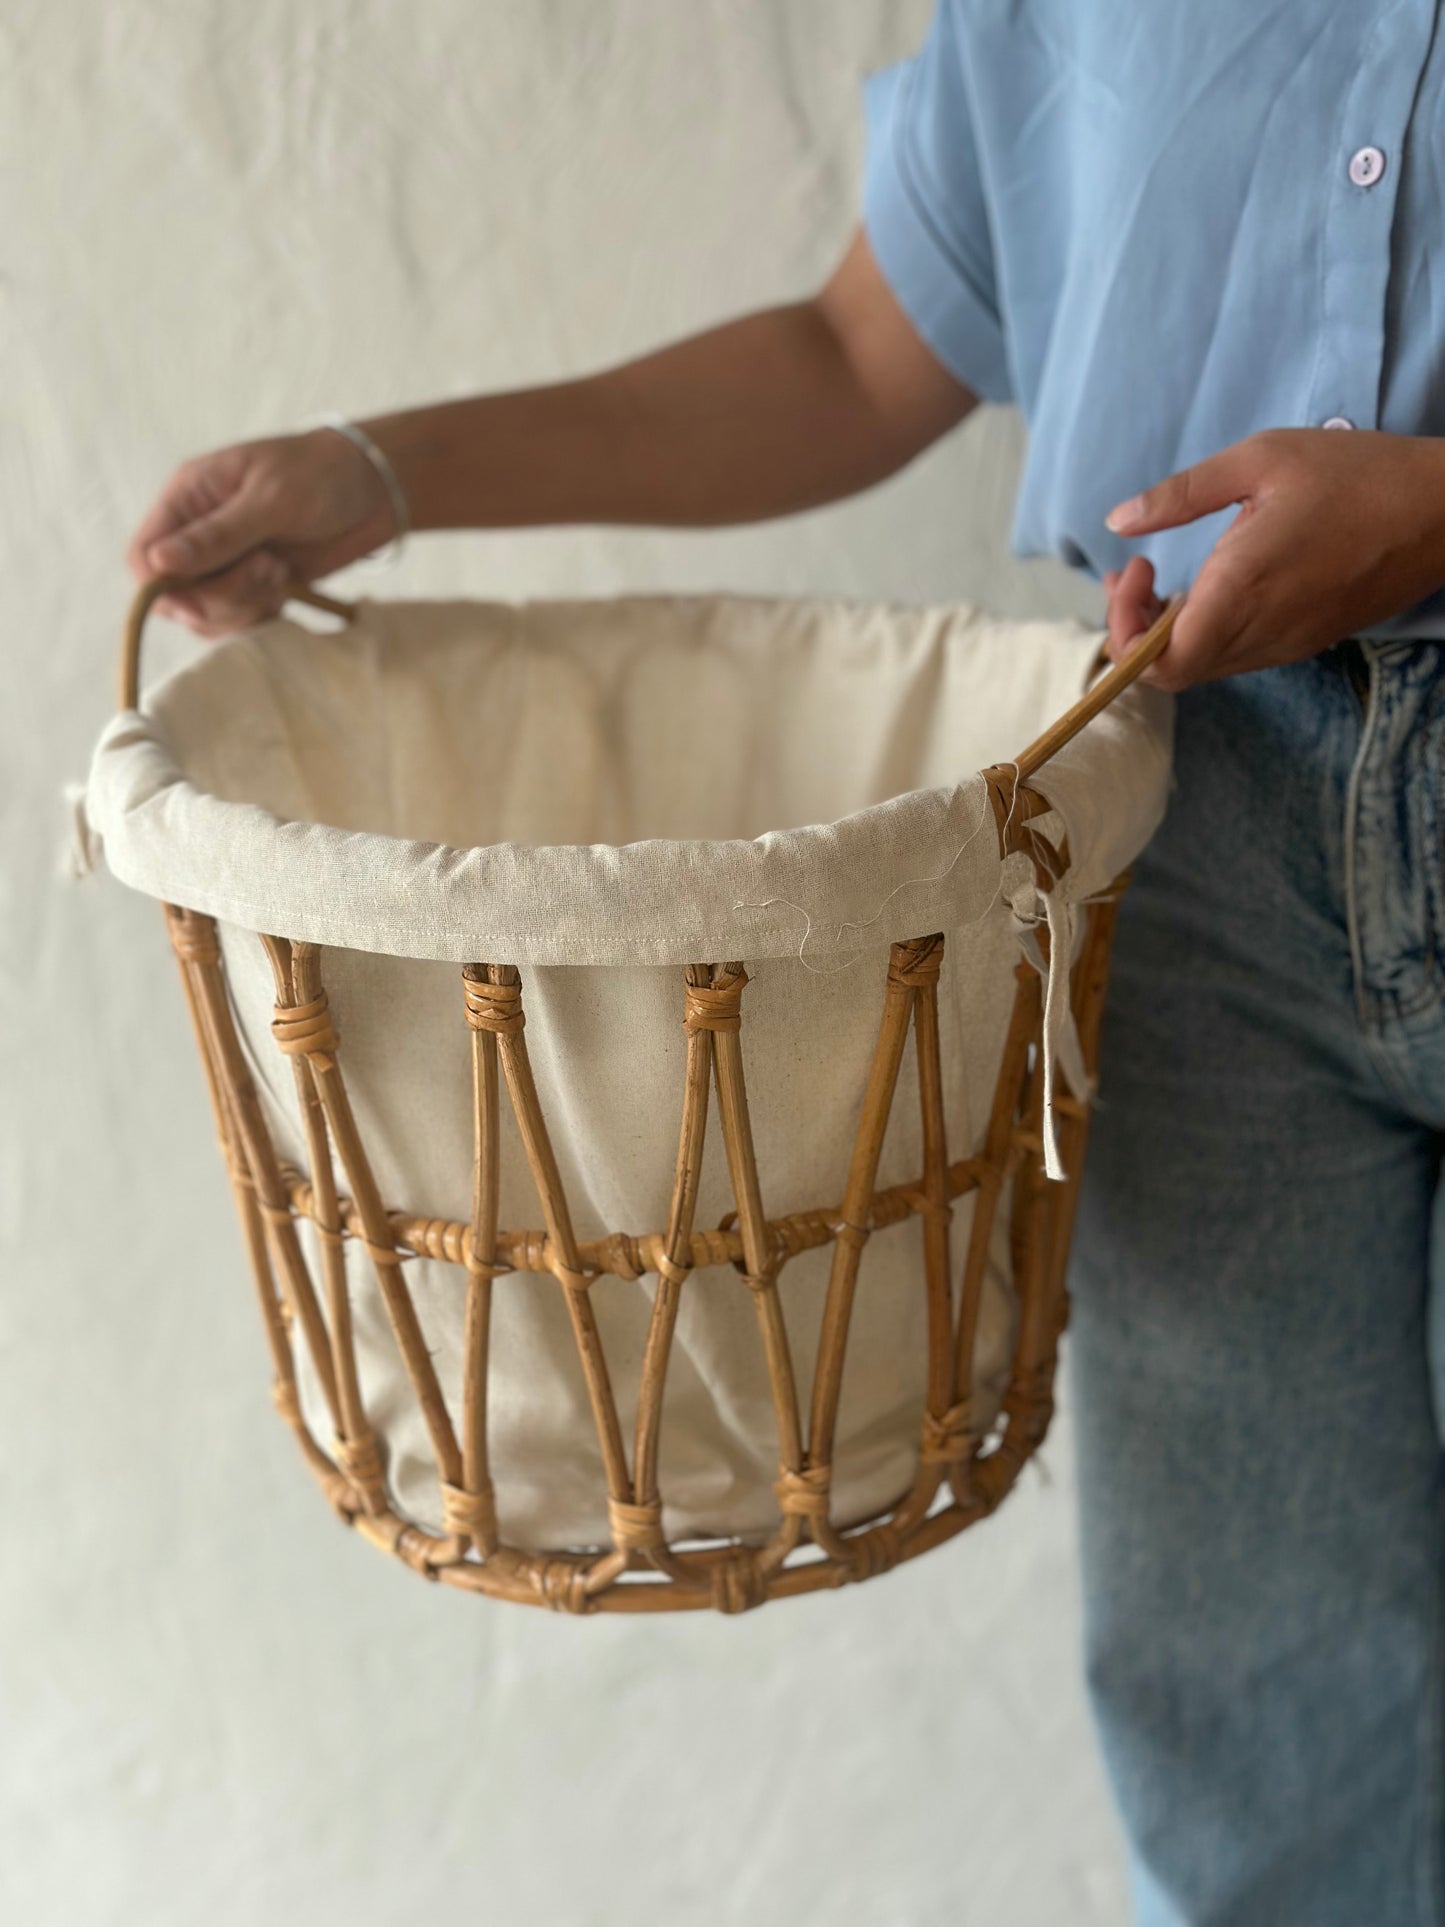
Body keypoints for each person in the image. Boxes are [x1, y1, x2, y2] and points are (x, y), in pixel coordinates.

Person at [128, 7, 1445, 1921]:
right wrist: (380, 468)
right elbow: (854, 347)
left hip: (1170, 789)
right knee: (1251, 1699)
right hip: (1185, 827)